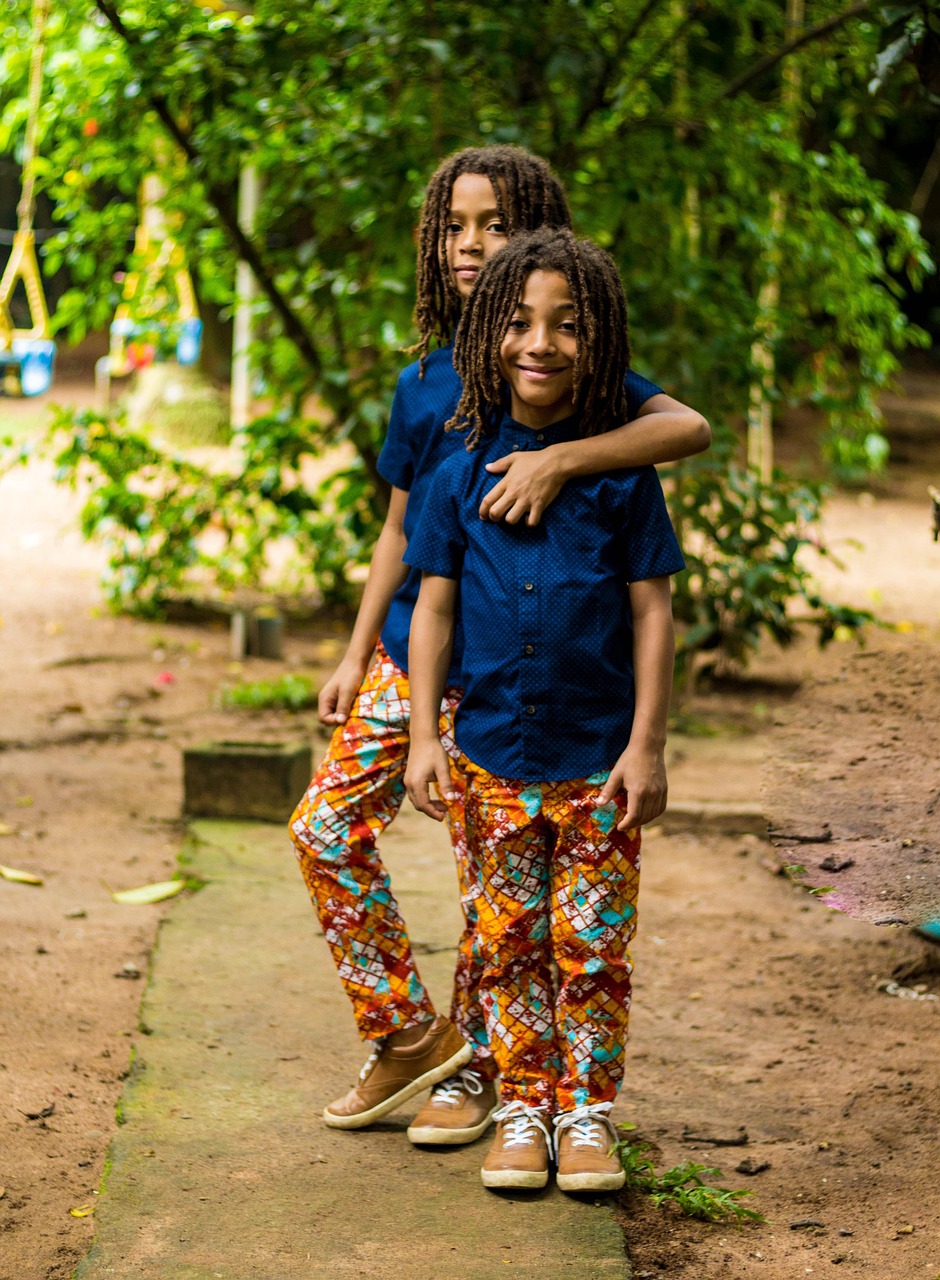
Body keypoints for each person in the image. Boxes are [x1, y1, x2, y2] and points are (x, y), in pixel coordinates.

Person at [288, 146, 707, 1144]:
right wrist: (354, 652)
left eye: (498, 223)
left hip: (520, 664)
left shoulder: (571, 367)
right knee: (324, 829)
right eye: (456, 224)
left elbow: (685, 428)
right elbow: (398, 531)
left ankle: (487, 1077)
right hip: (416, 648)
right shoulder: (424, 383)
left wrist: (562, 460)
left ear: (542, 237)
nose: (472, 242)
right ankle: (410, 1033)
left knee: (495, 891)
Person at [404, 227, 684, 1193]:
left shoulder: (622, 478)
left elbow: (653, 613)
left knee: (592, 952)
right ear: (485, 333)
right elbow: (434, 609)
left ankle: (587, 1116)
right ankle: (523, 1108)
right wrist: (423, 739)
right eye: (519, 322)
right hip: (488, 761)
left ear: (598, 341)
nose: (541, 343)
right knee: (506, 946)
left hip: (599, 765)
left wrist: (648, 746)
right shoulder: (457, 472)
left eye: (567, 325)